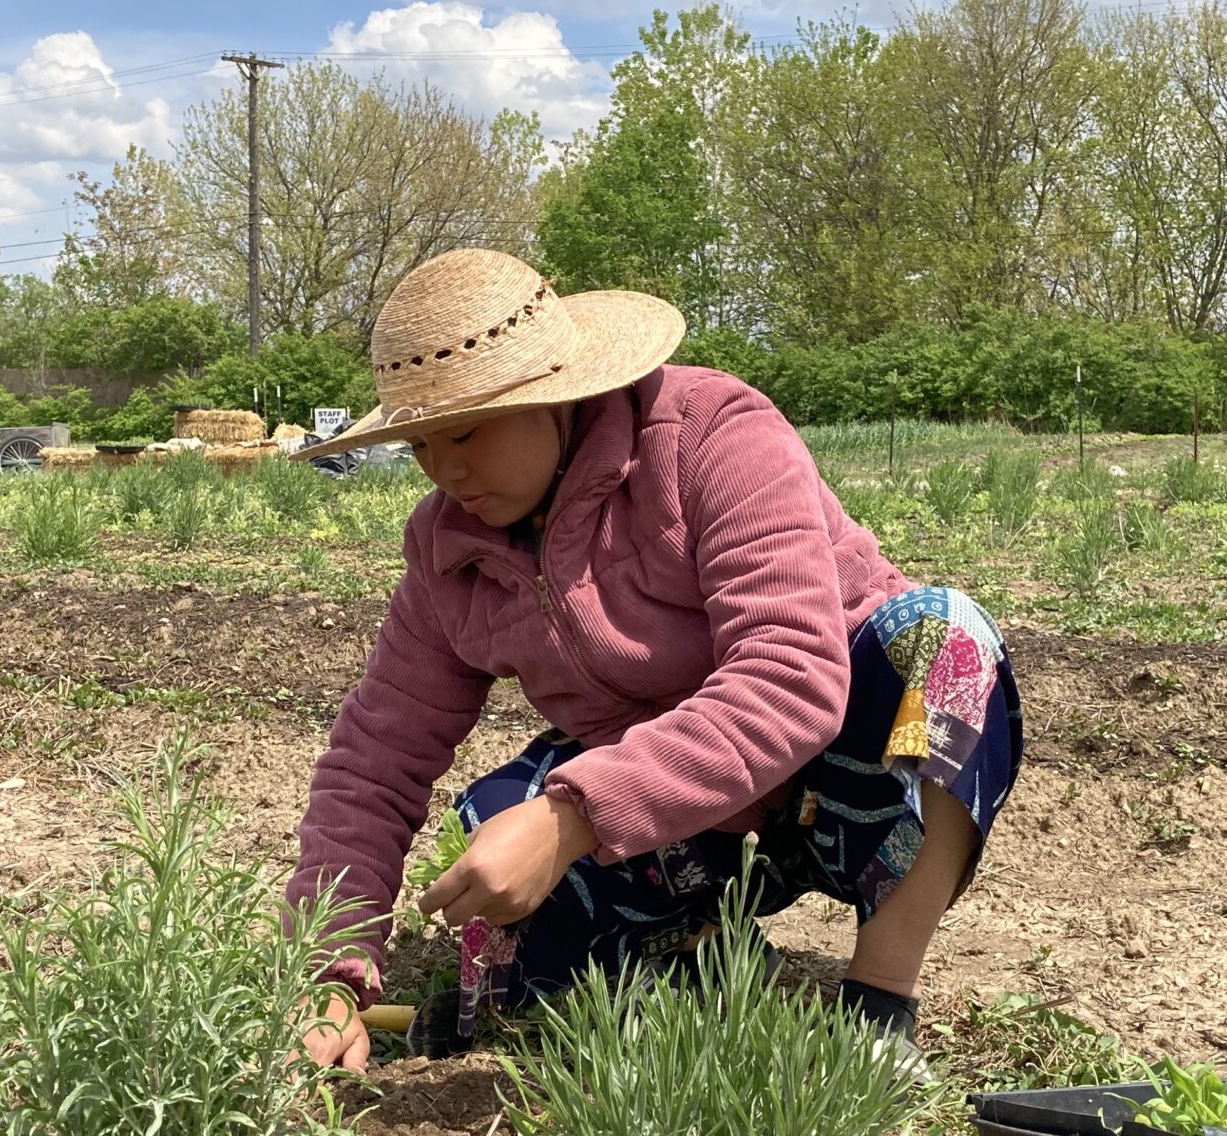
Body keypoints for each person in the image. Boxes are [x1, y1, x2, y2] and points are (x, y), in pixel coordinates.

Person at [287, 248, 1021, 1073]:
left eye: (465, 432)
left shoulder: (710, 434)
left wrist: (572, 818)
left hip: (840, 770)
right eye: (419, 444)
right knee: (509, 930)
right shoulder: (447, 548)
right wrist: (331, 975)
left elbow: (791, 677)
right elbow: (375, 761)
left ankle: (878, 1000)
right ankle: (701, 961)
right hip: (675, 812)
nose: (446, 471)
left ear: (555, 397)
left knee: (945, 640)